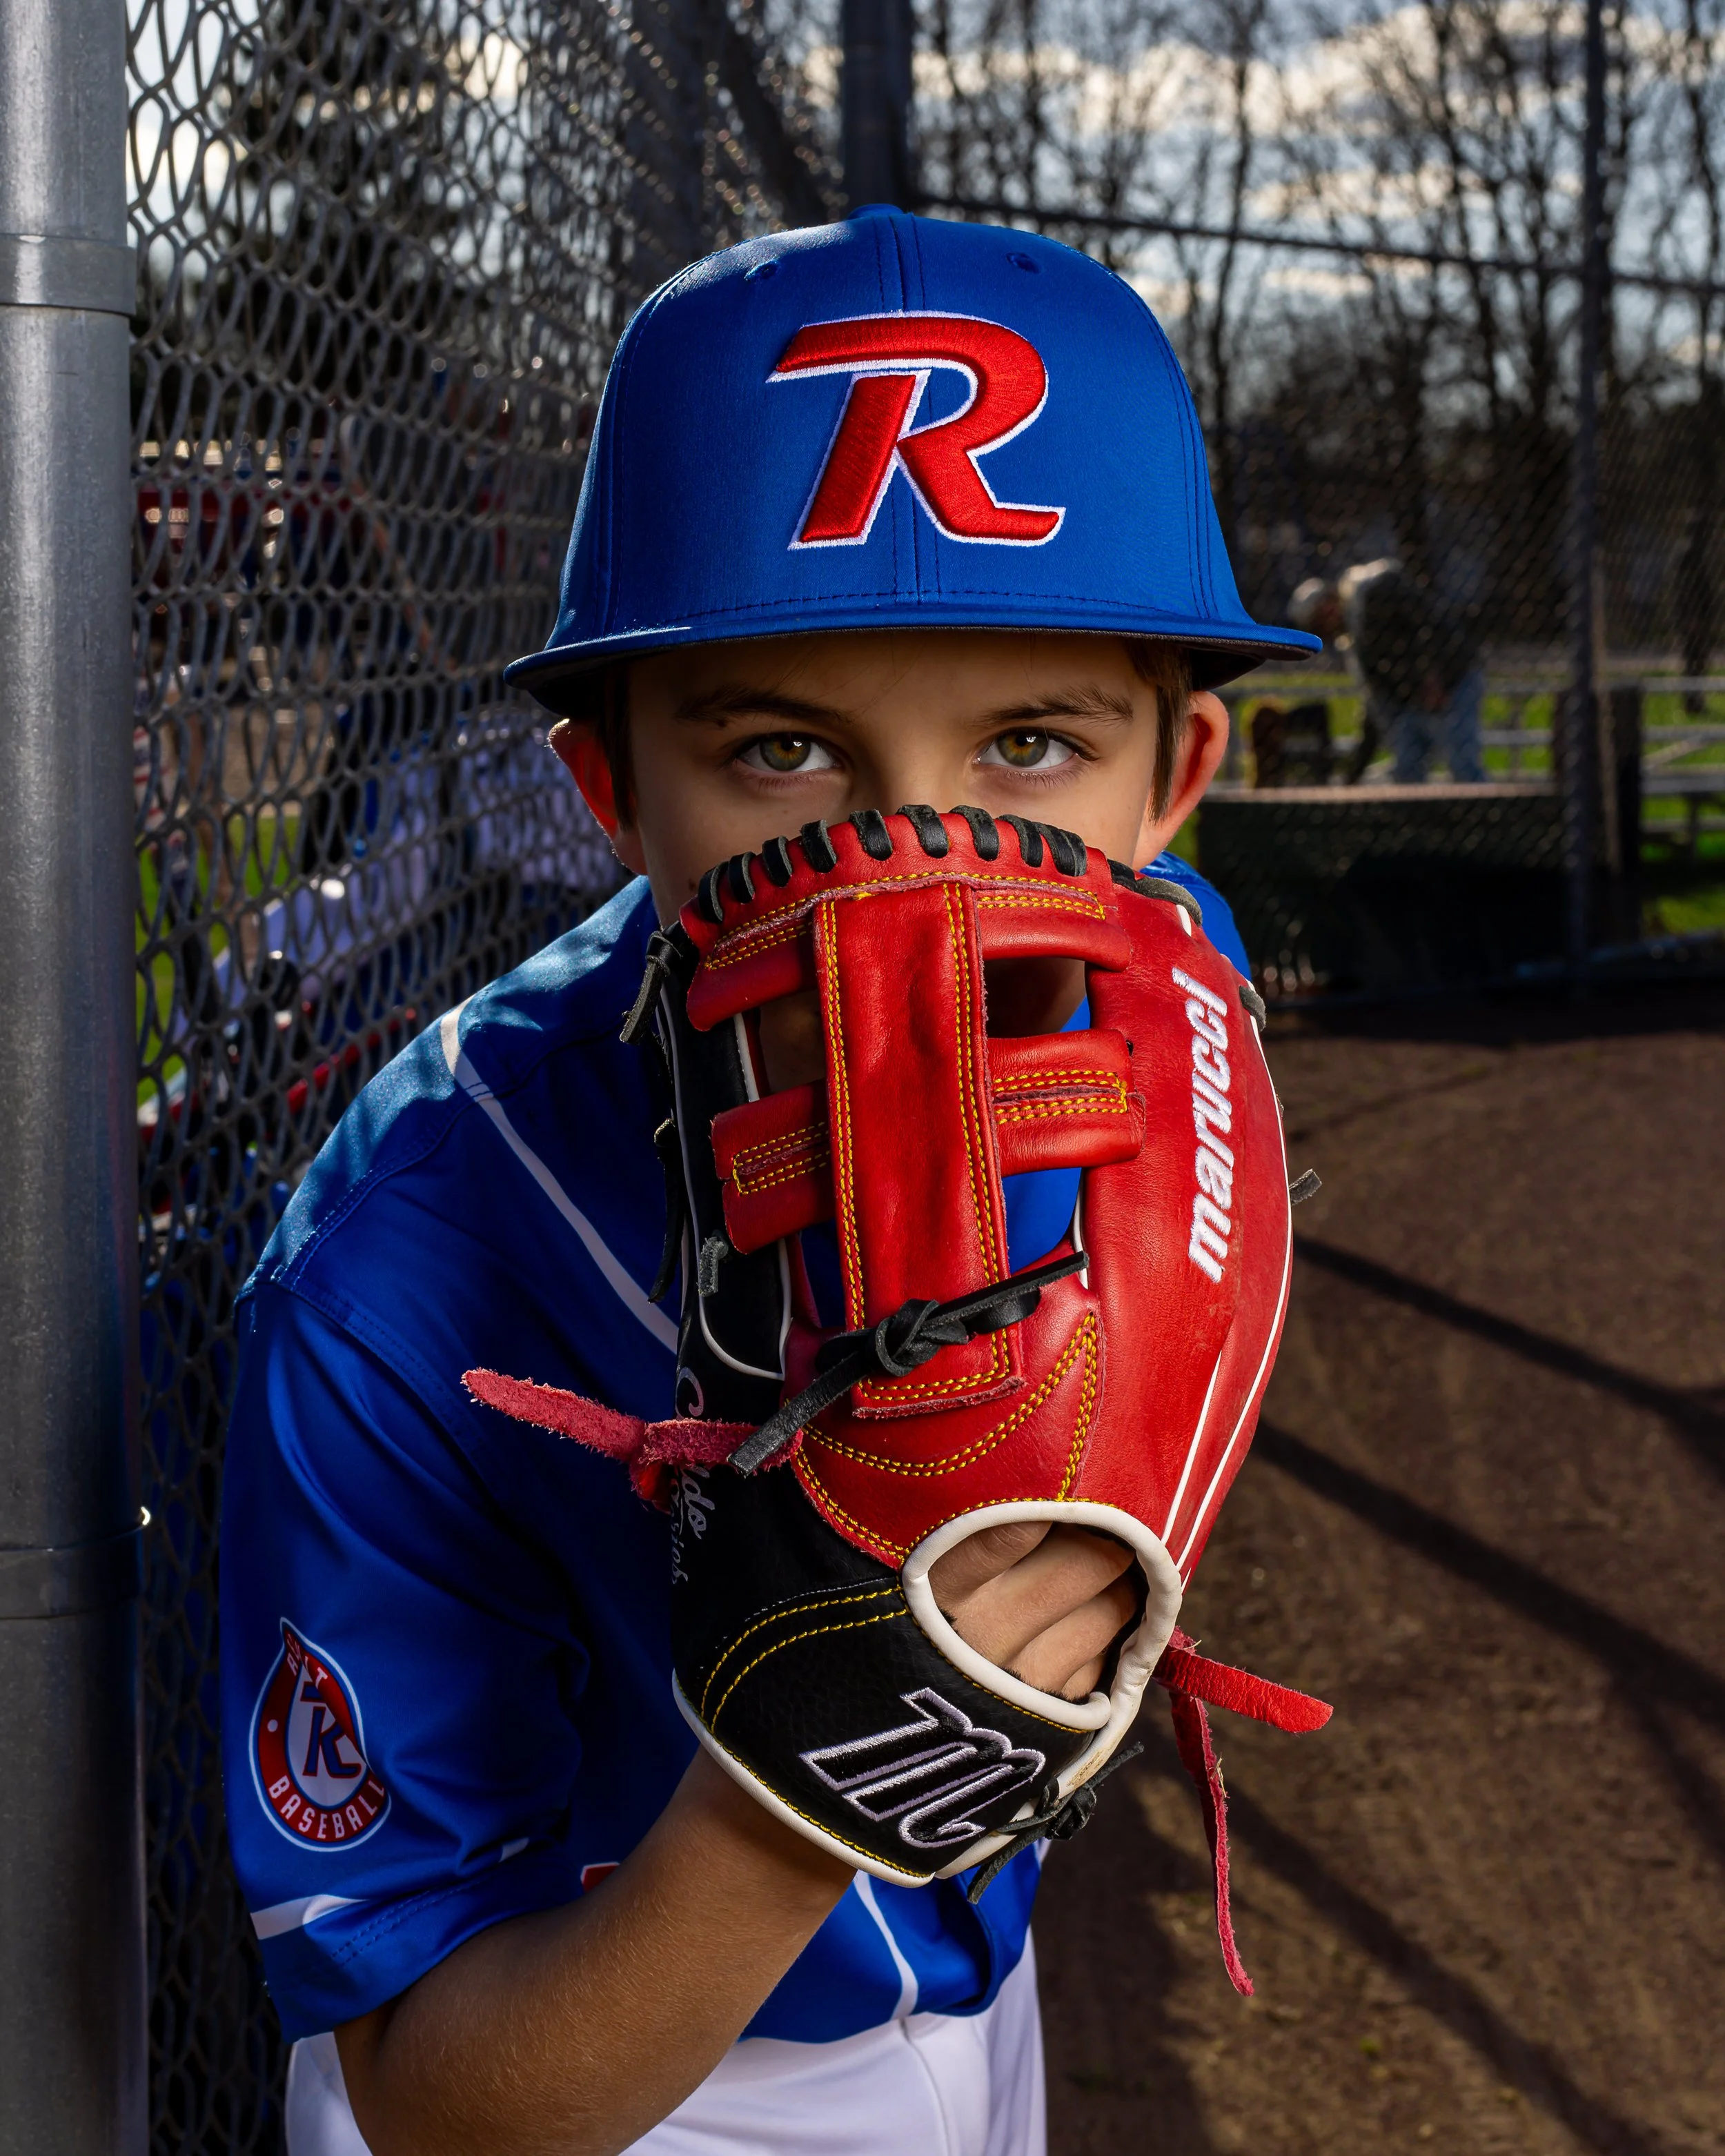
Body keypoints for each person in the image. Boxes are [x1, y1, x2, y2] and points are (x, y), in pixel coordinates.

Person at [219, 206, 1318, 2156]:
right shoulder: (402, 1270)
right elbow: (431, 2098)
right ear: (610, 788)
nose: (916, 852)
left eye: (1031, 740)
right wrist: (814, 1780)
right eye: (787, 749)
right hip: (621, 2061)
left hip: (977, 1973)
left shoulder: (1156, 977)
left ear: (1171, 786)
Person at [1289, 560, 1485, 782]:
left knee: (1463, 765)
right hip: (1416, 697)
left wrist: (1431, 678)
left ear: (1327, 605)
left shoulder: (1373, 591)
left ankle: (1486, 812)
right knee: (1407, 768)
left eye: (1319, 623)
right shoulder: (1357, 641)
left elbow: (1425, 626)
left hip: (1453, 680)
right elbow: (1376, 705)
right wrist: (1353, 775)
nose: (1326, 633)